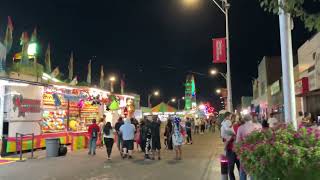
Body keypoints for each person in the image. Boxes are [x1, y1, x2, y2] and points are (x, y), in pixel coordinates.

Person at [236, 114, 262, 180]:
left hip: (244, 152)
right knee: (254, 171)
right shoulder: (258, 126)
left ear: (244, 119)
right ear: (251, 119)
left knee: (243, 172)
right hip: (256, 152)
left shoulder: (241, 128)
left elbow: (237, 142)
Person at [226, 115, 241, 180]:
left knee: (239, 169)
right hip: (231, 150)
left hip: (237, 150)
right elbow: (225, 138)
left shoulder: (240, 127)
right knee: (231, 169)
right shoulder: (229, 128)